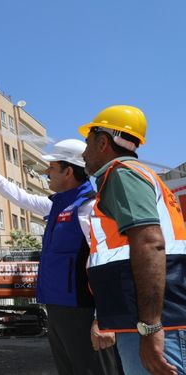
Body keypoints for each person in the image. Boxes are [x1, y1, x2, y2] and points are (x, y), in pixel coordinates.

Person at [0, 139, 123, 375]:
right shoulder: (58, 206)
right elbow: (22, 198)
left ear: (69, 171)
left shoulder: (90, 208)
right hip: (57, 307)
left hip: (81, 310)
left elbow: (106, 263)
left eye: (51, 168)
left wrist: (102, 317)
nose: (46, 173)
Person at [79, 105, 186, 375]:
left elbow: (150, 243)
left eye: (87, 142)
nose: (83, 153)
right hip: (147, 321)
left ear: (103, 142)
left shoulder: (122, 175)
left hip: (156, 325)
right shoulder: (133, 176)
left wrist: (151, 327)